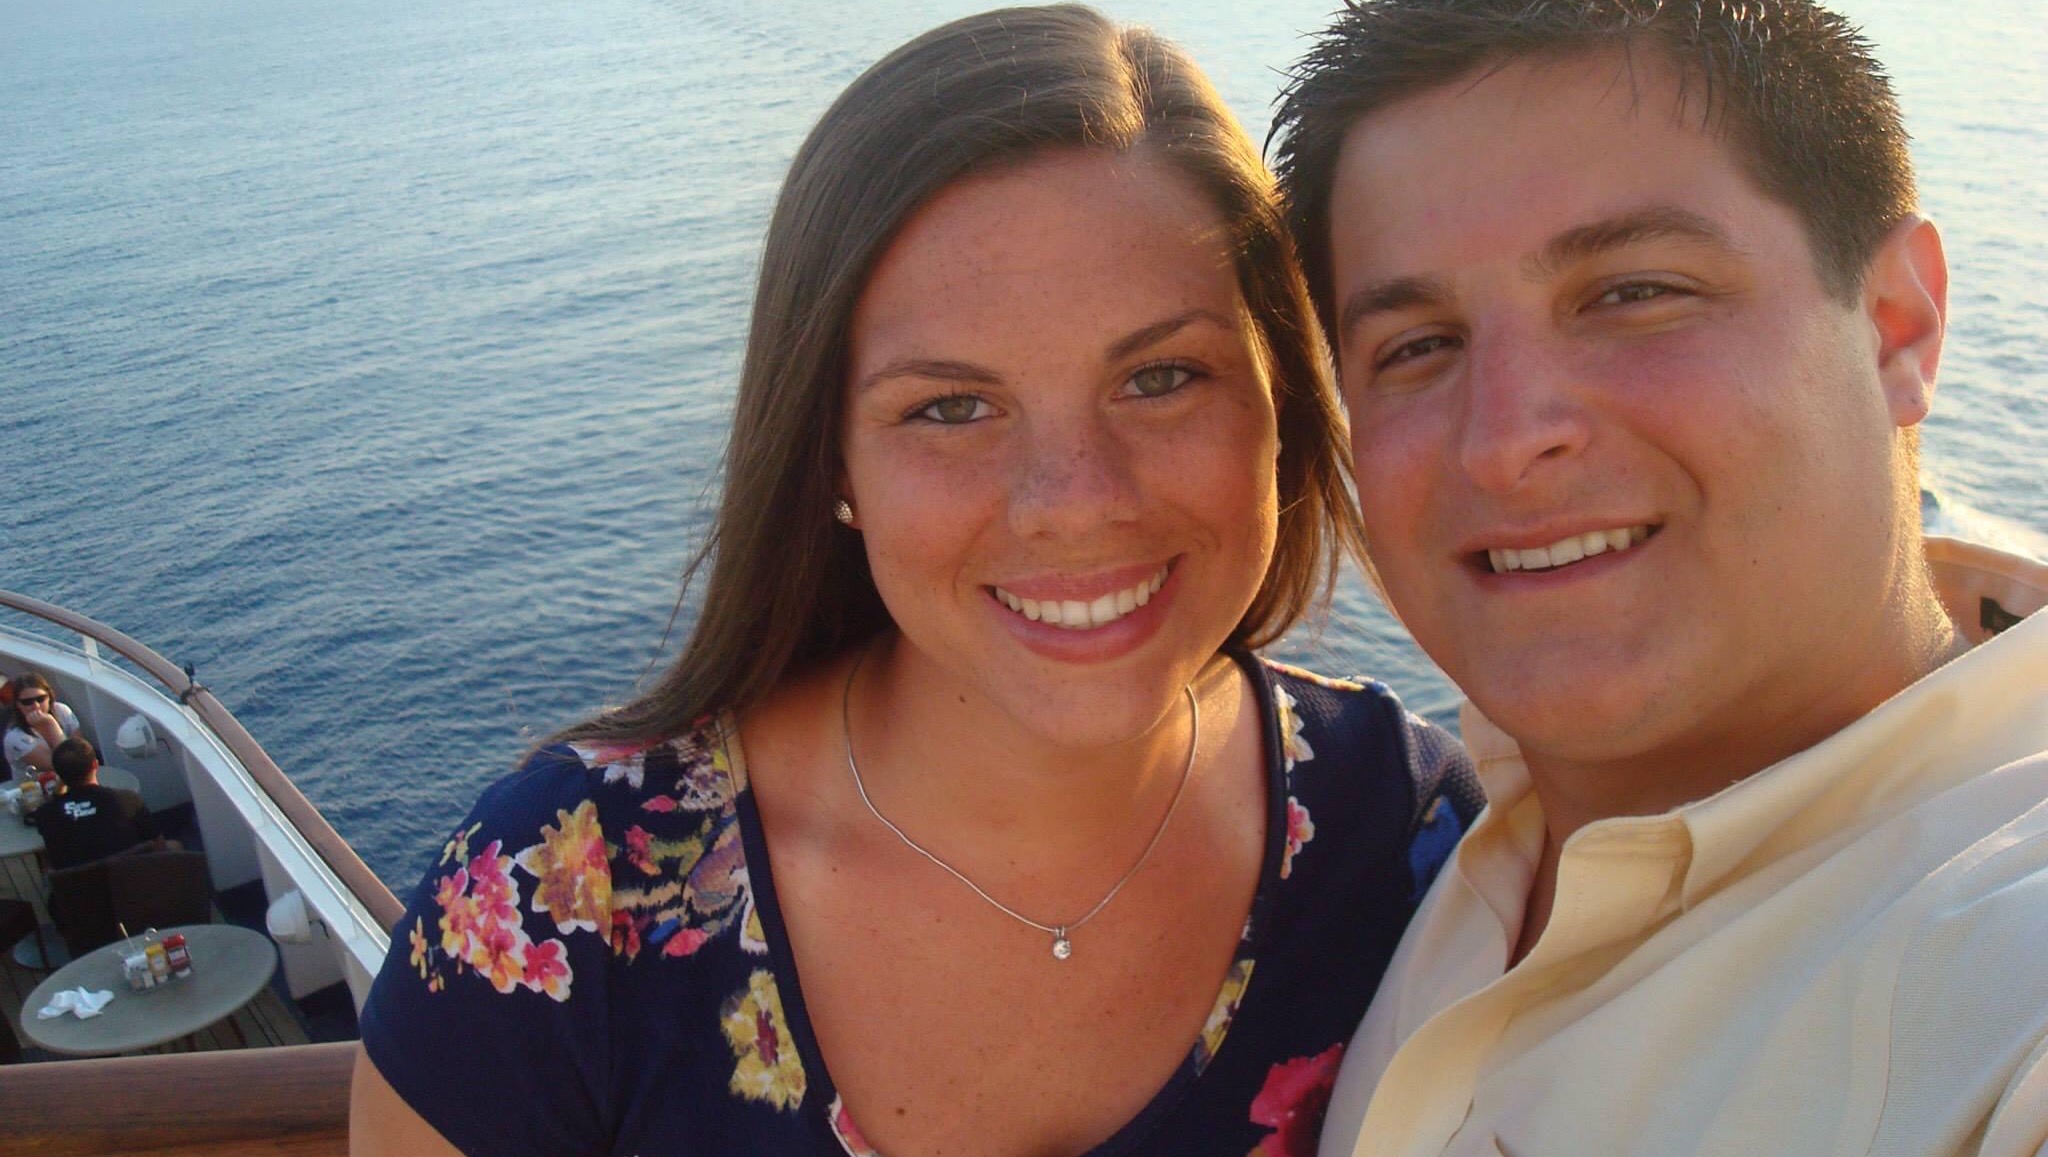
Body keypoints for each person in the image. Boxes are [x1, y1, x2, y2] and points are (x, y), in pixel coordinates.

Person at [350, 8, 1479, 1157]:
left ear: (1281, 401)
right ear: (830, 458)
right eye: (950, 406)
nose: (1074, 499)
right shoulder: (559, 900)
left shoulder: (1409, 836)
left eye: (1160, 377)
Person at [1263, 1, 2048, 1154]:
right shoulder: (1426, 832)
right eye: (1415, 346)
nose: (1501, 439)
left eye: (1632, 292)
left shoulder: (2003, 979)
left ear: (1894, 325)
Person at [29, 737, 164, 871]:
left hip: (78, 884)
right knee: (172, 845)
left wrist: (58, 792)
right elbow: (159, 845)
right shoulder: (128, 800)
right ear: (95, 764)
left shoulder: (45, 814)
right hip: (131, 878)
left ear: (59, 774)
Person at [4, 672, 81, 781]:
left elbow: (80, 754)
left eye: (40, 699)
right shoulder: (14, 737)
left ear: (49, 697)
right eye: (27, 702)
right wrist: (51, 725)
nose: (36, 706)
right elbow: (65, 765)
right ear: (17, 705)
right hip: (35, 786)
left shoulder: (62, 711)